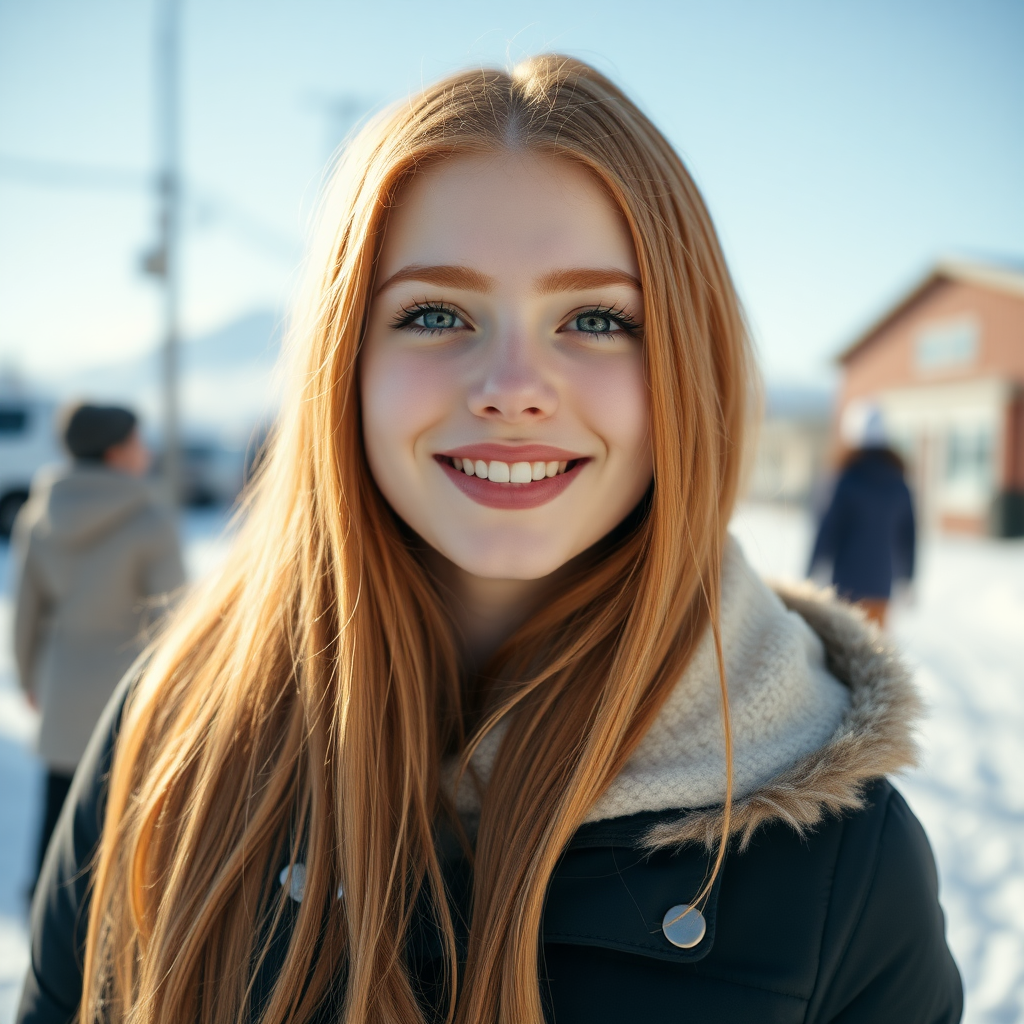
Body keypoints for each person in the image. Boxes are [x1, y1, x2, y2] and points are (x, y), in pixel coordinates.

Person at [19, 58, 960, 1024]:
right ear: (343, 364)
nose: (513, 386)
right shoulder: (177, 729)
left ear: (691, 360)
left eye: (597, 318)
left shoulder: (843, 858)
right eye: (434, 313)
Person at [11, 402, 184, 891]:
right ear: (115, 451)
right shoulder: (149, 518)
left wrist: (28, 678)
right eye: (137, 441)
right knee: (124, 825)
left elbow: (26, 612)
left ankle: (46, 920)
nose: (145, 450)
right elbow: (172, 620)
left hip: (63, 688)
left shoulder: (40, 514)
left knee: (59, 813)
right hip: (130, 697)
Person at [808, 402, 916, 627]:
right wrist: (909, 577)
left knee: (844, 653)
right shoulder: (899, 484)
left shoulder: (846, 481)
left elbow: (828, 530)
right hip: (881, 587)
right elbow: (909, 536)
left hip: (846, 588)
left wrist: (811, 571)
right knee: (874, 652)